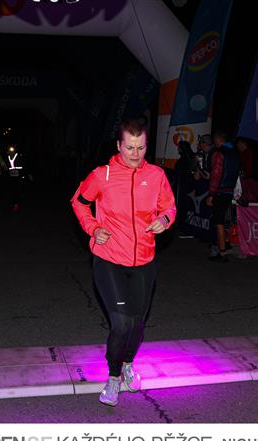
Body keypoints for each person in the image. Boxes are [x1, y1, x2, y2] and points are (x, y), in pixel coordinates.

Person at [71, 118, 176, 407]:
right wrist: (93, 228)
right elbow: (79, 202)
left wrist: (164, 219)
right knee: (121, 324)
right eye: (129, 147)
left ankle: (128, 363)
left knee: (137, 324)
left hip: (144, 261)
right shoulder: (101, 175)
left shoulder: (156, 175)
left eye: (141, 148)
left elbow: (169, 207)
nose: (135, 154)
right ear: (119, 145)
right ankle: (114, 377)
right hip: (109, 259)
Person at [206, 130, 239, 262]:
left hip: (220, 191)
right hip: (229, 190)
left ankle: (222, 252)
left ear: (218, 139)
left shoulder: (219, 153)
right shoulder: (234, 153)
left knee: (218, 221)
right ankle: (225, 244)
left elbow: (216, 174)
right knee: (223, 219)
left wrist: (211, 193)